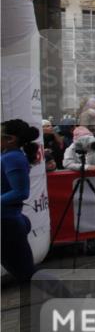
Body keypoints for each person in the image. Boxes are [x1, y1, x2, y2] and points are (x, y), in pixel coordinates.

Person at [2, 120, 39, 281]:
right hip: (7, 222)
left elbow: (21, 192)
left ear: (11, 139)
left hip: (7, 224)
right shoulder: (6, 155)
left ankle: (71, 302)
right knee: (25, 275)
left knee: (29, 275)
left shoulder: (13, 158)